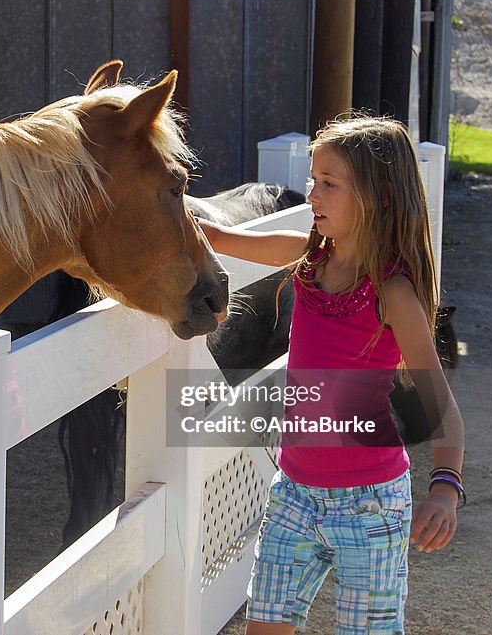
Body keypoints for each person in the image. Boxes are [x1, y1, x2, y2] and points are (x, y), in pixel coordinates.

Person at [196, 114, 465, 634]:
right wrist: (210, 235)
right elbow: (267, 244)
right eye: (313, 179)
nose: (312, 194)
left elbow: (441, 408)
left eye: (328, 183)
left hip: (370, 507)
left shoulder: (393, 293)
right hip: (293, 494)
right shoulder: (313, 260)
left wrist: (445, 489)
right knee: (264, 627)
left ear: (380, 197)